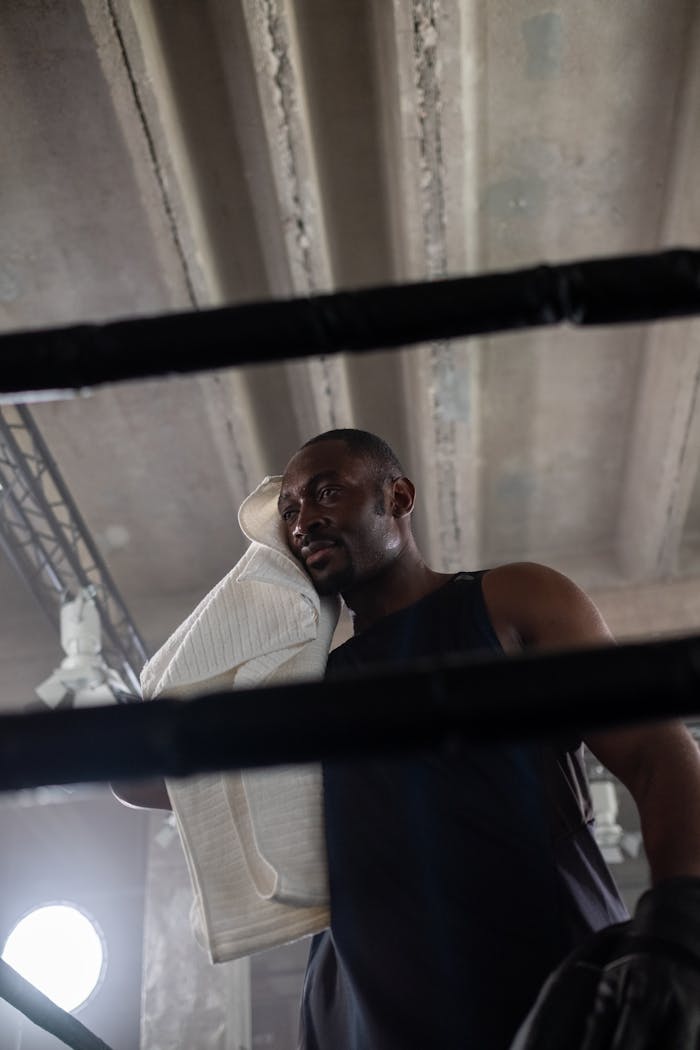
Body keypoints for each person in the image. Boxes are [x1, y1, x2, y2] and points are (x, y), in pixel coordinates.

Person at [115, 427, 700, 1049]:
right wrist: (254, 598)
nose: (304, 520)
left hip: (545, 986)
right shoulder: (308, 695)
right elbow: (140, 777)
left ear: (397, 497)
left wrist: (678, 927)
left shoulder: (510, 599)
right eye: (288, 513)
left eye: (326, 493)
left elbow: (656, 755)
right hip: (369, 1018)